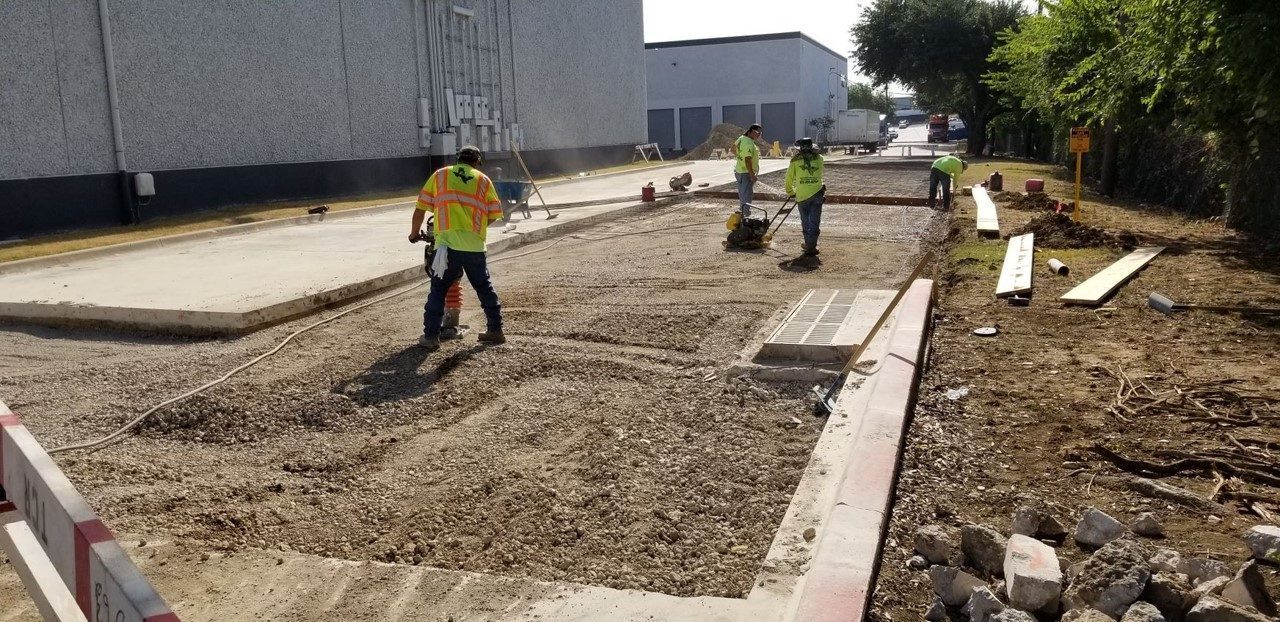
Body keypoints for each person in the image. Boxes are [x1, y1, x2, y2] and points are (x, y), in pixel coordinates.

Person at [409, 145, 506, 351]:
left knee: (438, 290)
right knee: (484, 288)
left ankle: (431, 337)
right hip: (475, 247)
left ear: (458, 159)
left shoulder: (440, 175)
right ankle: (495, 330)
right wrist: (476, 229)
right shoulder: (483, 180)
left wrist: (414, 233)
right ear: (477, 162)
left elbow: (420, 208)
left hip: (446, 247)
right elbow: (494, 214)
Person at [784, 137, 826, 256]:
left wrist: (790, 192)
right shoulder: (820, 159)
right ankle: (812, 245)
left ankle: (809, 244)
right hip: (817, 193)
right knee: (815, 221)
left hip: (802, 195)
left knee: (806, 221)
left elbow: (788, 179)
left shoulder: (795, 162)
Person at [733, 124, 763, 216]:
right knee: (746, 196)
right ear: (751, 131)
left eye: (760, 133)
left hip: (740, 171)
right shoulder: (748, 143)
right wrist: (752, 175)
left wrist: (739, 157)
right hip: (746, 173)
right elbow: (747, 159)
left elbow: (733, 148)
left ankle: (743, 215)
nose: (758, 135)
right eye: (757, 133)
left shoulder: (742, 138)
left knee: (743, 195)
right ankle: (745, 217)